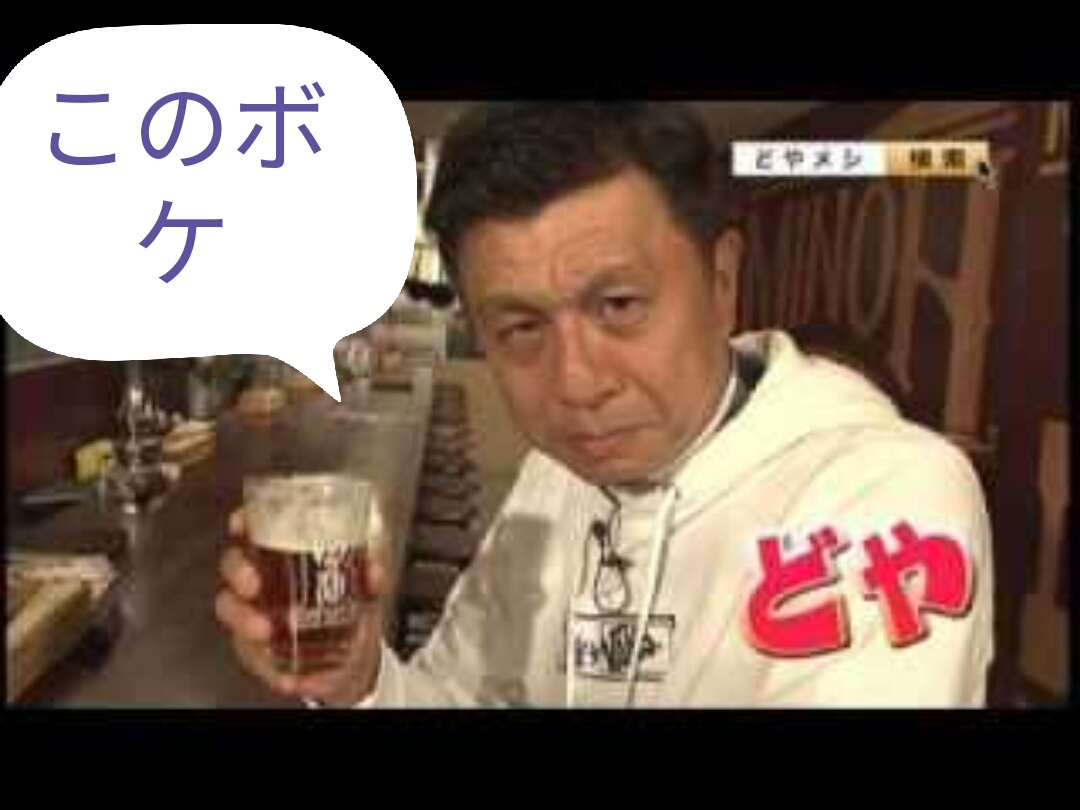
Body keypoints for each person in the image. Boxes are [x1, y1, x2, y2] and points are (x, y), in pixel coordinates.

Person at [216, 103, 994, 707]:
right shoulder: (557, 477)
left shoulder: (889, 498)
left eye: (619, 305)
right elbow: (458, 694)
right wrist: (360, 680)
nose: (577, 383)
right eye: (521, 328)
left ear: (722, 281)